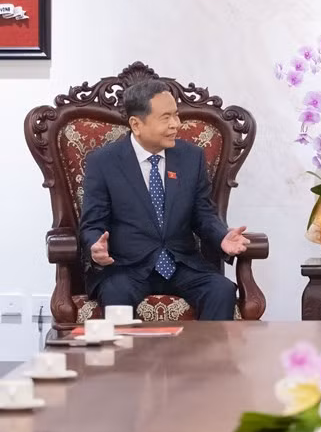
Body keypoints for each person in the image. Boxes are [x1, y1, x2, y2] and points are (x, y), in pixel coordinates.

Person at [80, 79, 249, 320]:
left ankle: (209, 348)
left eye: (176, 115)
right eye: (166, 117)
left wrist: (221, 236)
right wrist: (95, 247)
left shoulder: (191, 157)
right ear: (136, 124)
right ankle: (125, 348)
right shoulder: (103, 162)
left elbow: (203, 214)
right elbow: (92, 223)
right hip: (126, 267)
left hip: (181, 264)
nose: (176, 124)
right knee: (116, 294)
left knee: (221, 290)